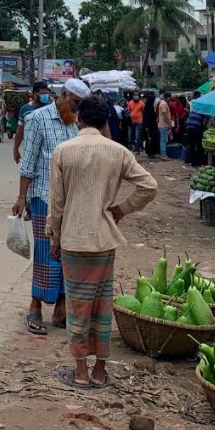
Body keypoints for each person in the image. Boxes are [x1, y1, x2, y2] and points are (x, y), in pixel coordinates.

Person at [47, 98, 157, 388]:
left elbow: (56, 204)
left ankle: (81, 372)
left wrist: (53, 238)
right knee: (101, 305)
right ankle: (99, 371)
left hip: (73, 239)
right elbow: (149, 186)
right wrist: (120, 209)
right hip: (104, 240)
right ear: (106, 121)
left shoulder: (63, 151)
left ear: (78, 119)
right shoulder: (118, 152)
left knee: (77, 306)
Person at [13, 78, 89, 335]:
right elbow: (29, 162)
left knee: (68, 254)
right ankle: (35, 306)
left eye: (80, 106)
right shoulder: (37, 119)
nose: (77, 109)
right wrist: (21, 197)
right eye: (75, 104)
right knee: (46, 254)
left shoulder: (77, 124)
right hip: (44, 196)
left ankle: (61, 306)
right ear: (64, 95)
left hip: (72, 199)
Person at [13, 81, 51, 164]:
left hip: (48, 149)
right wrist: (16, 149)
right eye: (42, 93)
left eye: (47, 93)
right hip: (30, 147)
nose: (45, 95)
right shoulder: (25, 109)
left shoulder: (51, 107)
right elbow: (20, 130)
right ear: (34, 93)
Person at [142, 91, 160, 159]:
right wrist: (147, 126)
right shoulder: (148, 108)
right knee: (151, 139)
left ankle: (151, 152)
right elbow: (147, 117)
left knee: (151, 139)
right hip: (150, 126)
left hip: (151, 125)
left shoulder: (149, 106)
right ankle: (150, 152)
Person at [156, 91, 173, 159]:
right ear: (168, 97)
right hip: (163, 124)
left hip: (163, 124)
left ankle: (163, 153)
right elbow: (165, 114)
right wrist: (169, 124)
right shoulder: (163, 104)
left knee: (163, 140)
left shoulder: (163, 103)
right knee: (163, 140)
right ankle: (163, 154)